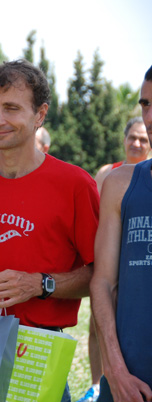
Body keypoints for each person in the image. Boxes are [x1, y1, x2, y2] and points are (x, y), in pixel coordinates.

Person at [0, 60, 100, 402]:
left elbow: (100, 275)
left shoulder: (75, 185)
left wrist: (40, 284)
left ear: (40, 114)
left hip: (36, 349)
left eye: (11, 108)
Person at [90, 65, 152, 402]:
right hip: (126, 383)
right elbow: (102, 282)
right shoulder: (120, 183)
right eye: (145, 105)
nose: (150, 118)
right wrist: (114, 371)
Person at [94, 116, 150, 193]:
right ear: (124, 140)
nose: (136, 144)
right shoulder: (105, 173)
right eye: (132, 138)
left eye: (143, 140)